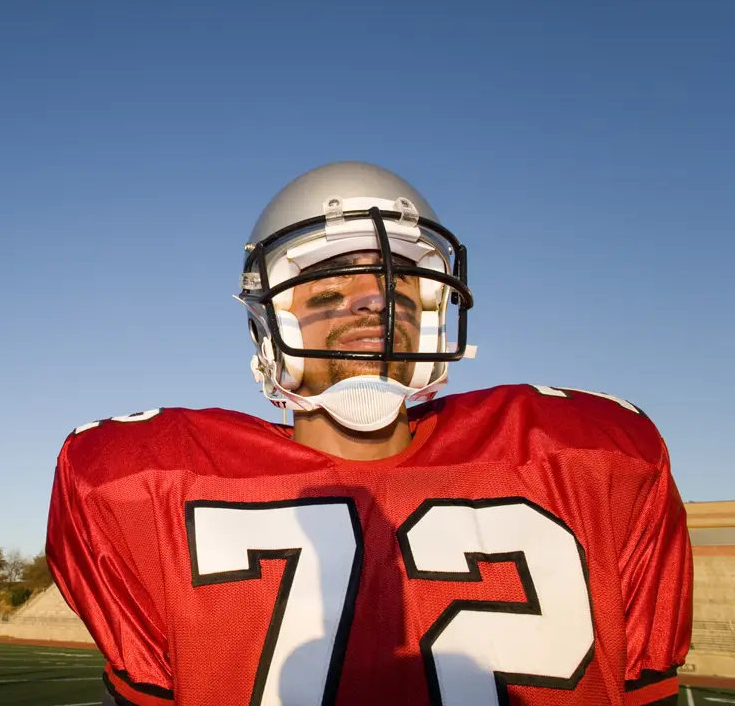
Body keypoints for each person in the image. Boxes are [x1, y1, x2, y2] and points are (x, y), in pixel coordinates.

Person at [45, 161, 692, 706]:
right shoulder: (138, 482)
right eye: (327, 285)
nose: (374, 301)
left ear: (436, 315)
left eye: (399, 284)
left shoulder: (593, 455)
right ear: (271, 326)